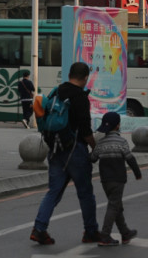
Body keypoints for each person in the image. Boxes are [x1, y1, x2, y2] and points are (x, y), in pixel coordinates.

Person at [31, 61, 101, 246]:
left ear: (69, 74)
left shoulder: (56, 91)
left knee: (53, 191)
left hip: (55, 148)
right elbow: (86, 130)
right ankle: (91, 231)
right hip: (75, 150)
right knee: (85, 192)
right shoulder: (80, 97)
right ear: (85, 78)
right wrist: (95, 147)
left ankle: (39, 228)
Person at [90, 111, 142, 246]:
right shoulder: (122, 142)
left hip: (105, 180)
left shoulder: (100, 143)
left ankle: (125, 233)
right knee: (113, 206)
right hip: (118, 179)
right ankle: (105, 236)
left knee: (116, 204)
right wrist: (137, 173)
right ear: (118, 126)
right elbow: (130, 158)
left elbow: (93, 158)